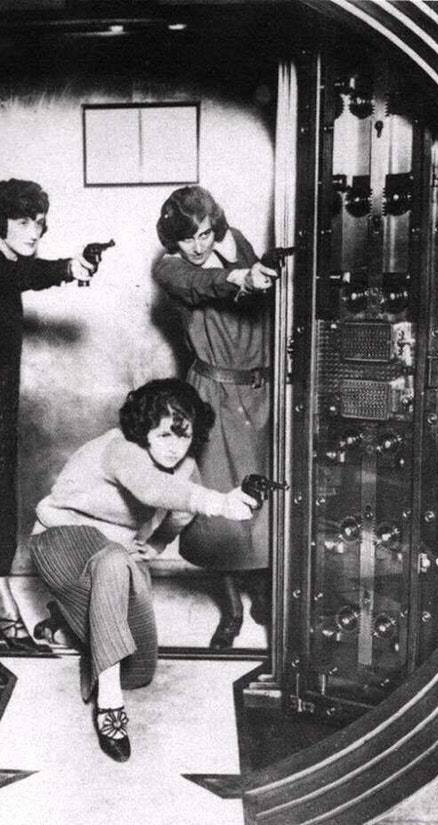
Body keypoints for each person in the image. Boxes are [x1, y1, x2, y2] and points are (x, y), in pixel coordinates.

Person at [27, 378, 257, 762]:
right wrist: (218, 503)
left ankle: (71, 619)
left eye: (184, 436)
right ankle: (110, 708)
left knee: (139, 671)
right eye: (164, 434)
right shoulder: (121, 448)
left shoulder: (184, 468)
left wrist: (155, 545)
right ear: (144, 428)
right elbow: (152, 490)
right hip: (62, 539)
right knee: (115, 562)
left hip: (116, 557)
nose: (174, 446)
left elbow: (179, 513)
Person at [153, 185, 277, 650]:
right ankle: (231, 610)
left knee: (267, 503)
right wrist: (241, 278)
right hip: (212, 395)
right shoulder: (169, 269)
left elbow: (241, 255)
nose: (198, 245)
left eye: (205, 234)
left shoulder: (235, 243)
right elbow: (202, 283)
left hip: (262, 392)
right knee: (218, 507)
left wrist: (247, 267)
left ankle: (265, 593)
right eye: (187, 239)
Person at [0, 178, 95, 651]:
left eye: (39, 224)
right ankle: (3, 606)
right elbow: (19, 275)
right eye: (23, 222)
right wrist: (68, 267)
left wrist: (68, 266)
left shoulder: (2, 260)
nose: (33, 232)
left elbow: (23, 271)